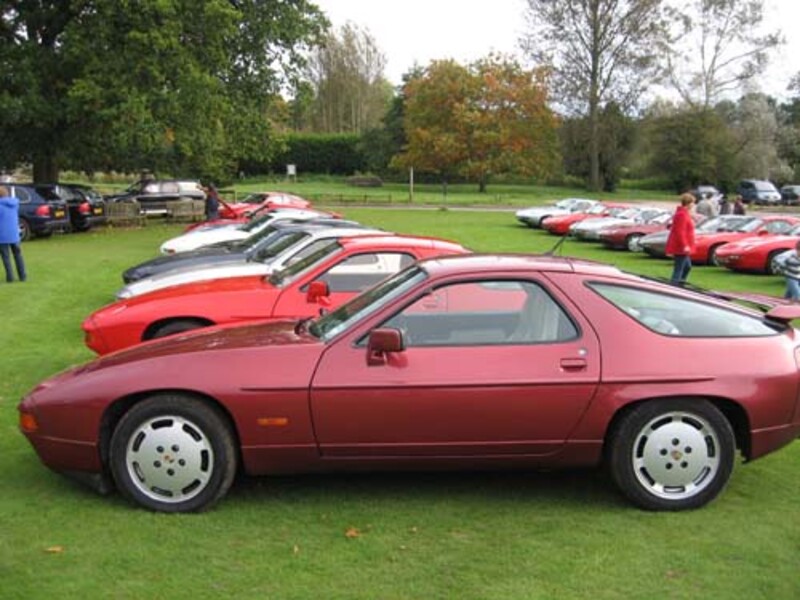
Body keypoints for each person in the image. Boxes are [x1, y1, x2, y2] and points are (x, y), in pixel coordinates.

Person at [665, 192, 696, 285]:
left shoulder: (685, 213)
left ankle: (681, 283)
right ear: (689, 203)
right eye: (693, 203)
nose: (693, 205)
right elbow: (680, 232)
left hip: (684, 246)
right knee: (679, 268)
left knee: (687, 266)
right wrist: (685, 245)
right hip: (680, 247)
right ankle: (674, 285)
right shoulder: (681, 215)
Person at [0, 185, 27, 283]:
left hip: (2, 236)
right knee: (18, 255)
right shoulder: (15, 204)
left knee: (6, 257)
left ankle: (10, 277)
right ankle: (23, 276)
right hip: (14, 234)